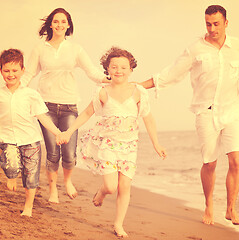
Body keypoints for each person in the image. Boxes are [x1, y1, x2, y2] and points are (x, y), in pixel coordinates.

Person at [140, 5, 239, 225]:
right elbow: (171, 73)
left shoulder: (238, 45)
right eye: (208, 24)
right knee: (209, 163)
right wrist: (139, 86)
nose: (212, 28)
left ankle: (230, 209)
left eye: (216, 24)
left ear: (226, 23)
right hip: (205, 112)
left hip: (232, 110)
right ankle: (209, 205)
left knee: (236, 160)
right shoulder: (195, 49)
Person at [57, 47, 167, 238]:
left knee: (124, 186)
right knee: (111, 186)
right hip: (107, 144)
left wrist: (156, 144)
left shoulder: (138, 92)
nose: (119, 70)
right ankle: (102, 191)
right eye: (114, 67)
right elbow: (86, 114)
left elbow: (148, 119)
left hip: (129, 146)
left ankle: (118, 224)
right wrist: (68, 131)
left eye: (123, 67)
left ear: (131, 69)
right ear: (107, 69)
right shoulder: (102, 91)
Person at [20, 8, 110, 203]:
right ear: (50, 24)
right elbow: (29, 74)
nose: (59, 25)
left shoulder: (75, 49)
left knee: (69, 153)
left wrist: (110, 80)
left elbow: (93, 73)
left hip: (69, 106)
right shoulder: (40, 48)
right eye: (56, 21)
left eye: (63, 21)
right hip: (46, 106)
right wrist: (16, 90)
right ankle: (53, 188)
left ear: (68, 25)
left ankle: (67, 180)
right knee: (53, 152)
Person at [0, 49, 61, 217]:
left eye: (15, 70)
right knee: (11, 163)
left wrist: (57, 132)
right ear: (0, 71)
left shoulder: (31, 95)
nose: (11, 74)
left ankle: (28, 207)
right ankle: (11, 175)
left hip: (30, 140)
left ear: (22, 70)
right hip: (7, 139)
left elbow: (42, 117)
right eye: (6, 70)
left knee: (31, 174)